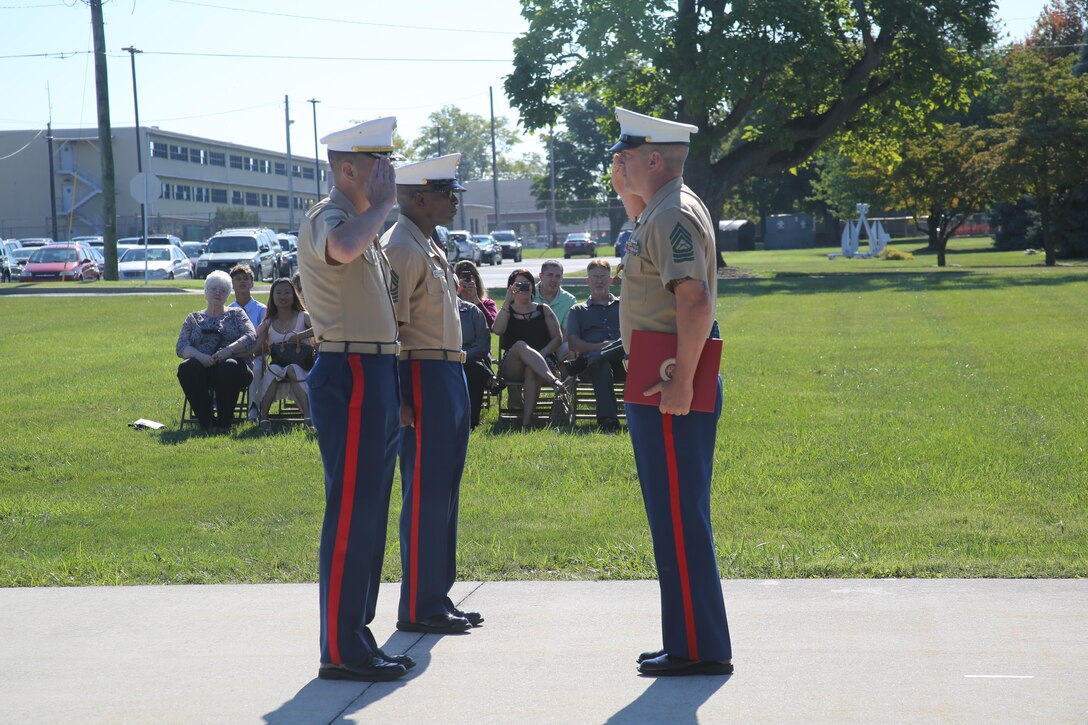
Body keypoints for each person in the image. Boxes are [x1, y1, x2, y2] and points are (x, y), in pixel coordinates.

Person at [609, 107, 733, 676]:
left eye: (627, 156)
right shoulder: (659, 210)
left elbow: (694, 301)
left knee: (679, 518)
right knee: (673, 516)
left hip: (667, 384)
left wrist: (682, 381)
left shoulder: (672, 214)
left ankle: (697, 648)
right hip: (660, 379)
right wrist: (629, 196)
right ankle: (687, 638)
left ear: (654, 159)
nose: (618, 162)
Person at [297, 117, 412, 682]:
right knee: (351, 512)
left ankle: (356, 638)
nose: (387, 176)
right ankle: (341, 648)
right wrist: (384, 207)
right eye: (378, 166)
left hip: (373, 368)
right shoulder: (333, 217)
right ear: (348, 170)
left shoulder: (358, 218)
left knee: (368, 510)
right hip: (351, 370)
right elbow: (341, 249)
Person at [382, 154, 481, 634]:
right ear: (420, 198)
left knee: (444, 490)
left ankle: (436, 594)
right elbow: (392, 330)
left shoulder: (426, 243)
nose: (455, 201)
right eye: (447, 193)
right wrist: (400, 398)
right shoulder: (401, 247)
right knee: (425, 491)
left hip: (447, 372)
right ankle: (419, 605)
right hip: (420, 374)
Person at [175, 270, 256, 433]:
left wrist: (228, 351)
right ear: (205, 292)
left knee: (229, 366)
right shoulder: (193, 318)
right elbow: (181, 346)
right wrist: (200, 356)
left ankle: (224, 423)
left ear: (228, 295)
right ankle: (207, 423)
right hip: (202, 367)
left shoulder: (237, 314)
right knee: (186, 368)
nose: (218, 293)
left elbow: (251, 335)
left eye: (223, 290)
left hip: (233, 369)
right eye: (213, 289)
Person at [491, 268, 568, 428]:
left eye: (527, 284)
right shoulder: (507, 311)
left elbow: (558, 338)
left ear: (533, 287)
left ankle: (526, 424)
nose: (523, 288)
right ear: (511, 288)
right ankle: (555, 382)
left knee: (531, 369)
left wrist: (540, 355)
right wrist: (507, 301)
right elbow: (497, 330)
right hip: (513, 365)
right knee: (520, 345)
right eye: (518, 285)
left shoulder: (544, 310)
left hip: (544, 362)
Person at [566, 258, 624, 431]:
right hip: (591, 369)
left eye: (603, 277)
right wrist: (600, 348)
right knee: (601, 364)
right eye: (595, 277)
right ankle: (608, 421)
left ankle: (592, 358)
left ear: (611, 280)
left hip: (627, 363)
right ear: (588, 281)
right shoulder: (577, 310)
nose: (599, 281)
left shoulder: (624, 305)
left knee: (629, 341)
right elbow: (573, 344)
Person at [252, 277, 314, 430]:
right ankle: (264, 418)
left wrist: (299, 336)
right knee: (274, 371)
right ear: (272, 297)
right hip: (278, 363)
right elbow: (254, 340)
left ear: (293, 295)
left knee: (292, 368)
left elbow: (320, 329)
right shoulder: (269, 321)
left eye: (287, 292)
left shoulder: (302, 316)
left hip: (302, 363)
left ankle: (308, 418)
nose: (283, 296)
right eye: (278, 293)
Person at [229, 264, 266, 422]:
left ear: (252, 283)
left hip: (256, 355)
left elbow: (265, 339)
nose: (242, 282)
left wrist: (252, 353)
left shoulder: (262, 310)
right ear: (232, 284)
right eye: (238, 279)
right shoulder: (227, 310)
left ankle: (253, 410)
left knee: (256, 368)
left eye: (246, 279)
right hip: (233, 356)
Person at [458, 295, 494, 429]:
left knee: (475, 369)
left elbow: (483, 345)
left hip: (469, 357)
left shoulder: (472, 311)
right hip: (440, 357)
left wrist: (463, 356)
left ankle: (471, 422)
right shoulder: (433, 310)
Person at [534, 259, 577, 360]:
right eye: (550, 275)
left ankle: (563, 376)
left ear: (562, 278)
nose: (554, 280)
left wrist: (546, 351)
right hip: (531, 344)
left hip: (557, 345)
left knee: (570, 348)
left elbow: (565, 334)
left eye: (558, 276)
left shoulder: (569, 300)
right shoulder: (529, 294)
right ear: (541, 276)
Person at [454, 259, 497, 328]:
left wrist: (475, 298)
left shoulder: (488, 304)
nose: (466, 281)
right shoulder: (452, 302)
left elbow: (492, 326)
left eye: (469, 278)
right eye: (462, 278)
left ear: (476, 279)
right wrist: (456, 293)